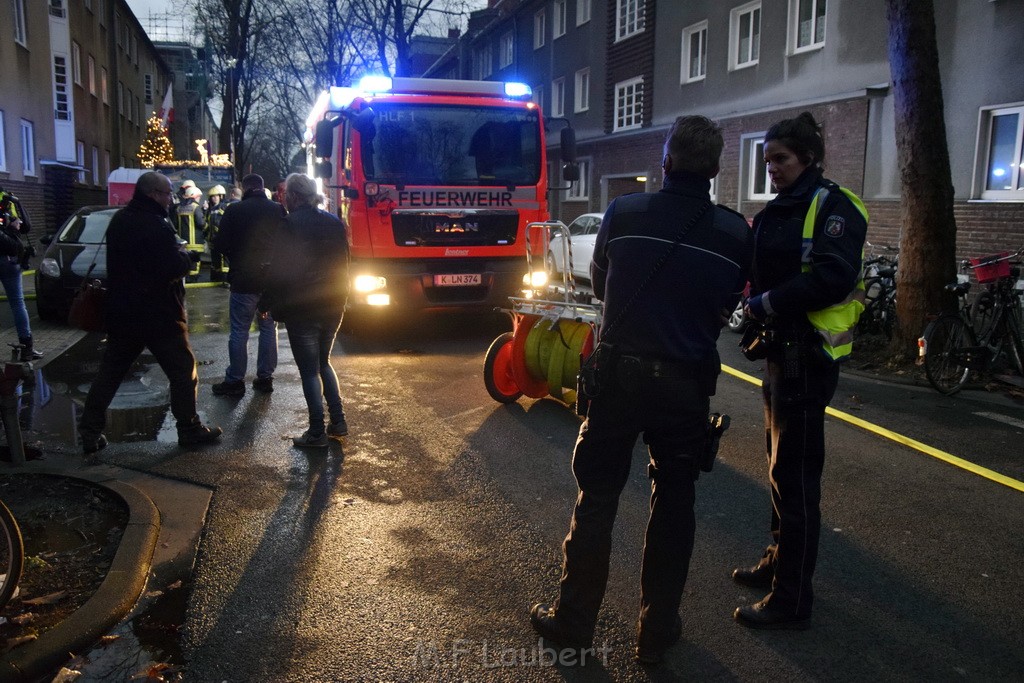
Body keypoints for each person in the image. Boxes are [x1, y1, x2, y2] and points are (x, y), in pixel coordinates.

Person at [529, 116, 753, 664]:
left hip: (620, 376)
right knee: (675, 502)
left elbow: (604, 285)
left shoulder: (625, 213)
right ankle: (656, 631)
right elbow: (730, 303)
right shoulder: (733, 232)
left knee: (598, 498)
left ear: (666, 161)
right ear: (718, 169)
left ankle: (575, 620)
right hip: (686, 385)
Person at [733, 111, 868, 630]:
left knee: (797, 479)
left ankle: (791, 599)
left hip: (807, 360)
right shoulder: (780, 209)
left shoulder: (835, 207)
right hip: (778, 356)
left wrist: (766, 303)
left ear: (807, 158)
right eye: (767, 160)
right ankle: (777, 562)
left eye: (781, 159)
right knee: (776, 467)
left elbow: (834, 276)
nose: (772, 169)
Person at [77, 171, 222, 458]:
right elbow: (172, 266)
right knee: (182, 371)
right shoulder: (156, 225)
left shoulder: (120, 220)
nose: (171, 199)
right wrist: (185, 257)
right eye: (168, 193)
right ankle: (189, 428)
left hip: (123, 312)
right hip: (160, 313)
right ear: (153, 194)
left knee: (110, 372)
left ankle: (89, 433)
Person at [260, 173, 350, 448]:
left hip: (303, 307)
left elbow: (279, 271)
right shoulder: (334, 223)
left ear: (294, 197)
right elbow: (344, 263)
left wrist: (266, 304)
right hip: (333, 303)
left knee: (309, 370)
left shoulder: (288, 225)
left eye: (286, 194)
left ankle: (316, 432)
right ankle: (338, 420)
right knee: (324, 363)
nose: (283, 199)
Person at [210, 174, 283, 397]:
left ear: (245, 188)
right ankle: (265, 378)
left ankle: (235, 380)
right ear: (261, 188)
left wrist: (234, 258)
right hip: (270, 282)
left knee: (240, 330)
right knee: (269, 327)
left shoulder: (234, 211)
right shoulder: (277, 210)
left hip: (243, 280)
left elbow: (219, 245)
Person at [0, 186, 42, 361]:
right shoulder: (8, 199)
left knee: (18, 303)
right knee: (17, 303)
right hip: (9, 258)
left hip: (8, 255)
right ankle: (26, 348)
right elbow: (26, 226)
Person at [204, 185, 228, 282]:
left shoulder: (224, 207)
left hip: (221, 239)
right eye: (212, 197)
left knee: (224, 262)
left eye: (216, 196)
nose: (214, 198)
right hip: (213, 239)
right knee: (215, 262)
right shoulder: (211, 209)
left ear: (221, 196)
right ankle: (216, 280)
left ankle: (224, 280)